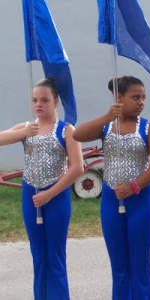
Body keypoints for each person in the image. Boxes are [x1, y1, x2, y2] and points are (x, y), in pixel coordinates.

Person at [73, 76, 150, 299]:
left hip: (140, 201)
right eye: (135, 97)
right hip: (111, 200)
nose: (141, 102)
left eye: (143, 97)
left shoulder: (148, 127)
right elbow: (78, 135)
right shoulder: (106, 127)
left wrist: (135, 186)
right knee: (119, 266)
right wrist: (107, 116)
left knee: (140, 264)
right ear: (119, 98)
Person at [0, 77, 83, 300]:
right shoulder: (27, 128)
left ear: (55, 101)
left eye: (44, 100)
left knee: (54, 256)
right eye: (35, 100)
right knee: (38, 256)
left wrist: (50, 193)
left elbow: (77, 168)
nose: (39, 104)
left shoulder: (66, 130)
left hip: (55, 197)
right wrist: (23, 133)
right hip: (31, 195)